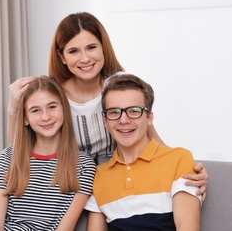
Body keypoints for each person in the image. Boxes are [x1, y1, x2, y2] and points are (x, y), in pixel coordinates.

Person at [7, 12, 208, 199]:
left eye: (91, 47)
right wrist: (13, 110)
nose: (85, 58)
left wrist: (185, 168)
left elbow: (151, 138)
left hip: (120, 175)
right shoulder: (53, 96)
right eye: (74, 51)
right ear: (62, 57)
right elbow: (19, 152)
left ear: (103, 47)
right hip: (71, 181)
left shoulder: (120, 87)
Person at [84, 73, 201, 230]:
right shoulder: (99, 175)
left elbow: (187, 227)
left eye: (134, 111)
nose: (123, 120)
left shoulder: (179, 159)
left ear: (149, 117)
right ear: (105, 120)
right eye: (114, 112)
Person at [0, 76, 96, 231]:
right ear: (25, 119)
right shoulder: (9, 156)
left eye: (52, 107)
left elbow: (66, 228)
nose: (46, 117)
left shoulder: (84, 165)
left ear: (64, 108)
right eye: (35, 110)